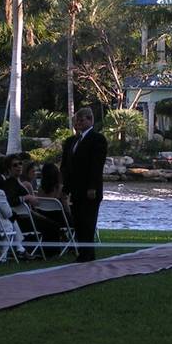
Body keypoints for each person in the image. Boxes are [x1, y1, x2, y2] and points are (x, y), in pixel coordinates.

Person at [60, 107, 108, 263]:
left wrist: (92, 187)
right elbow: (66, 166)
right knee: (78, 222)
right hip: (75, 189)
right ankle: (83, 252)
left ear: (90, 120)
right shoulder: (71, 141)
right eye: (77, 120)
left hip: (89, 189)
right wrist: (65, 188)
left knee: (88, 221)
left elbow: (96, 165)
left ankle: (87, 254)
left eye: (82, 120)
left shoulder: (97, 139)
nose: (79, 123)